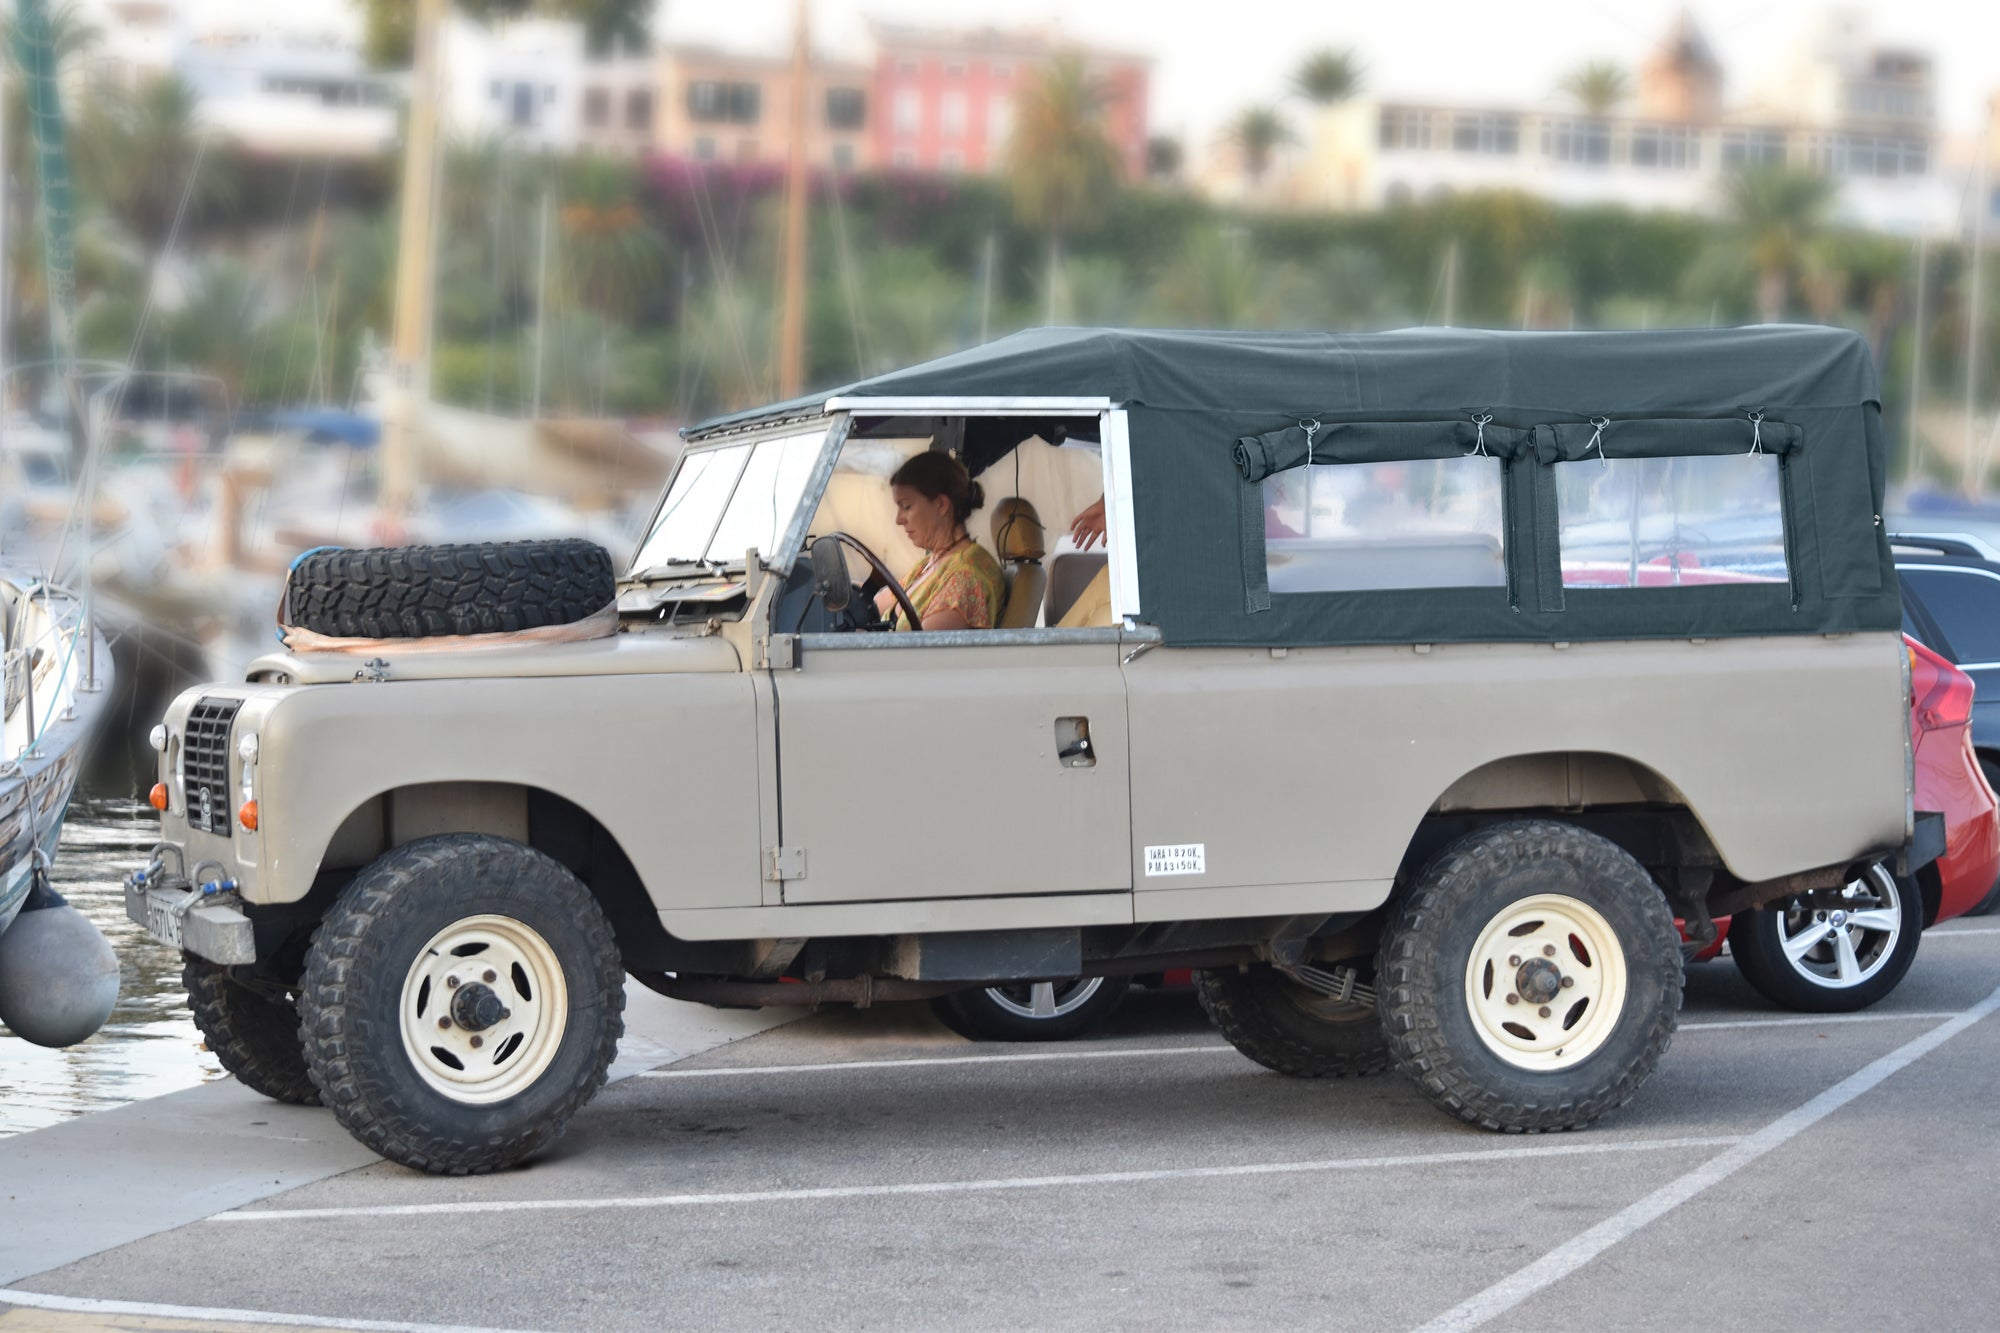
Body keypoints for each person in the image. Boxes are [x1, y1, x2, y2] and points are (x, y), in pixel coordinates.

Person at [877, 451, 1003, 631]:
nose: (899, 519)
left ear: (941, 505)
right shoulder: (930, 564)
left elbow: (923, 654)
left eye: (906, 506)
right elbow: (876, 604)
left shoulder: (965, 578)